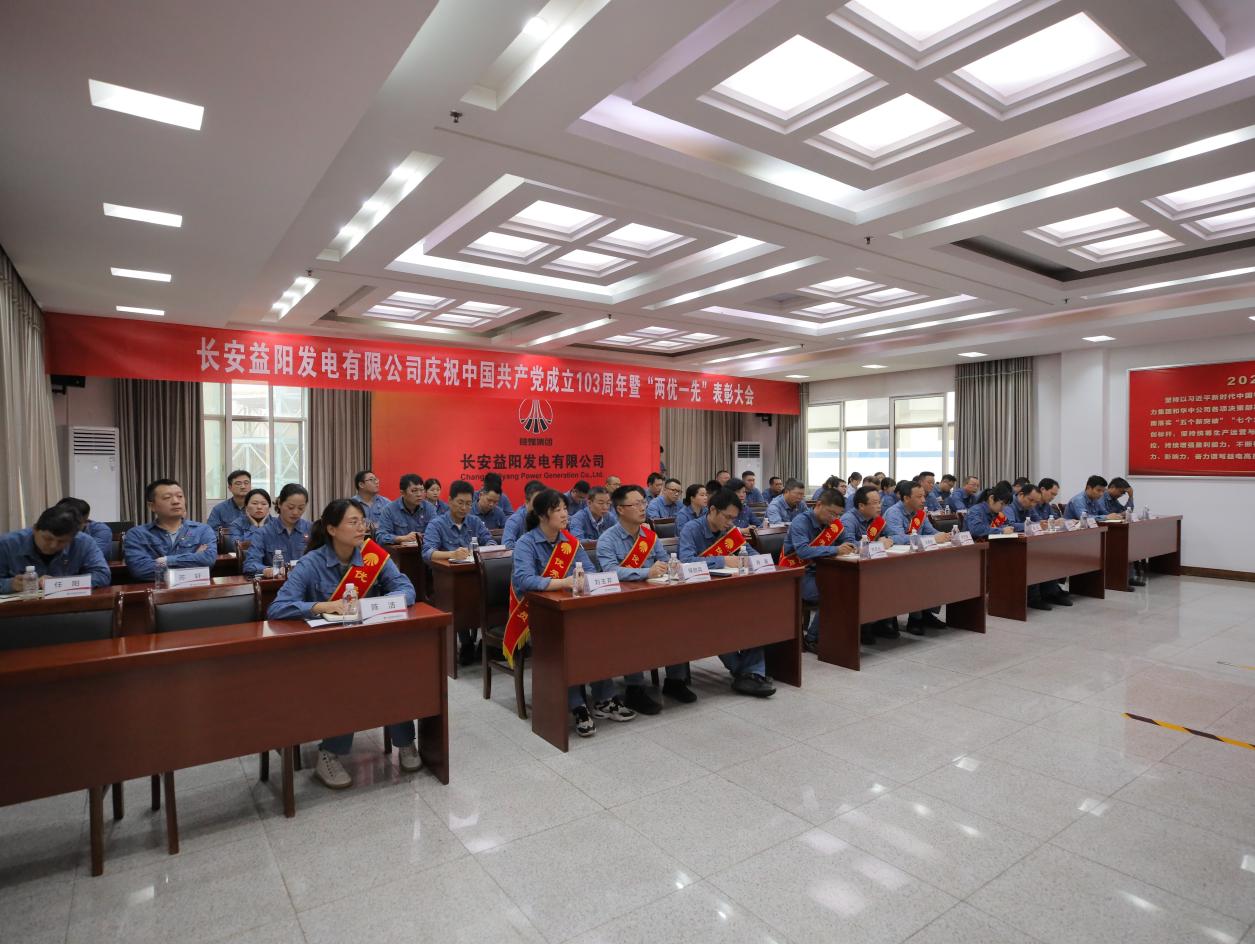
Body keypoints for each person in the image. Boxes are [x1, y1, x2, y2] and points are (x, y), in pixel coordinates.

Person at [268, 499, 420, 786]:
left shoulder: (373, 556)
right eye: (353, 522)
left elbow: (406, 589)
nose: (361, 527)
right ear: (332, 529)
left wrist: (375, 605)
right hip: (324, 651)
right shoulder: (311, 563)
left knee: (395, 670)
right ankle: (329, 753)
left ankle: (405, 742)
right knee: (348, 677)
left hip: (368, 645)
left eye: (363, 521)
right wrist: (321, 606)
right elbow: (277, 608)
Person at [511, 489, 637, 737]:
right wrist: (565, 582)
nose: (564, 514)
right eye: (557, 509)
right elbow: (524, 580)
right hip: (537, 616)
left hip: (573, 610)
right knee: (568, 643)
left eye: (565, 509)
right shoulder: (526, 543)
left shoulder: (570, 542)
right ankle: (577, 705)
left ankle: (604, 699)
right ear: (542, 515)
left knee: (600, 636)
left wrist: (583, 580)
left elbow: (589, 571)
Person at [596, 485, 693, 709]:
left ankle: (675, 681)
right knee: (633, 631)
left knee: (679, 622)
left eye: (643, 503)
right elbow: (610, 572)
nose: (642, 508)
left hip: (655, 597)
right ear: (620, 509)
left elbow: (664, 560)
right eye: (636, 504)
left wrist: (673, 566)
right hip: (623, 604)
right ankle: (634, 688)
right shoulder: (607, 539)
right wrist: (646, 572)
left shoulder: (650, 536)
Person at [677, 490, 776, 697]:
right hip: (698, 596)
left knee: (758, 616)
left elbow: (752, 554)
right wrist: (722, 560)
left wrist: (755, 561)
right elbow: (685, 561)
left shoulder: (730, 530)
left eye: (734, 518)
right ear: (712, 510)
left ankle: (750, 673)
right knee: (718, 623)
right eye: (727, 517)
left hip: (730, 592)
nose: (731, 522)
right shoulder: (691, 529)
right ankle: (748, 673)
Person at [781, 489, 855, 651]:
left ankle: (837, 634)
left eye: (838, 515)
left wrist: (852, 545)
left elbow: (848, 539)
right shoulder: (801, 522)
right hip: (797, 574)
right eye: (832, 513)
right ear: (819, 504)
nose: (834, 518)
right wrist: (835, 550)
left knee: (850, 587)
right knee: (832, 595)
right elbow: (803, 551)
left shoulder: (833, 523)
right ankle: (812, 638)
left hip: (822, 570)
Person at [884, 480, 952, 633]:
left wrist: (944, 536)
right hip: (897, 562)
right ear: (906, 498)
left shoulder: (920, 513)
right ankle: (915, 618)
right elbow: (897, 538)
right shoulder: (893, 513)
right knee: (918, 577)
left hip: (918, 558)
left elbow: (931, 532)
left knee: (938, 573)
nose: (923, 500)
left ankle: (926, 613)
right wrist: (933, 539)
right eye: (919, 497)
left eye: (924, 496)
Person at [1, 504, 111, 593]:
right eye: (47, 538)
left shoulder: (83, 542)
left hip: (67, 606)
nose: (53, 545)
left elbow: (102, 575)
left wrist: (60, 583)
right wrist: (10, 585)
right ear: (35, 529)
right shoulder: (7, 544)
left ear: (72, 537)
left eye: (62, 541)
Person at [124, 479, 217, 582]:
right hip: (155, 590)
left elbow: (207, 560)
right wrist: (194, 560)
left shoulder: (202, 530)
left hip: (195, 589)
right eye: (167, 497)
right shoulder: (137, 534)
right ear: (152, 506)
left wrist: (165, 560)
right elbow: (141, 570)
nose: (176, 501)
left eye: (180, 496)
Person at [840, 485, 900, 641]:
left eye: (880, 502)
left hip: (875, 565)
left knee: (893, 579)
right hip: (853, 569)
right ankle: (864, 625)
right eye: (875, 503)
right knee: (873, 584)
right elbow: (850, 545)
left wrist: (888, 540)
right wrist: (879, 544)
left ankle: (881, 622)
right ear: (861, 506)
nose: (879, 506)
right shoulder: (848, 519)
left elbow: (892, 536)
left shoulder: (877, 519)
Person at [1003, 483, 1071, 610]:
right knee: (1036, 560)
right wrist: (1035, 525)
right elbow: (1009, 526)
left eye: (1035, 502)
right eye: (1031, 500)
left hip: (1030, 543)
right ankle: (1034, 597)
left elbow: (1038, 521)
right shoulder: (1008, 506)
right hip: (1011, 547)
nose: (1033, 504)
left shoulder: (1030, 506)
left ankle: (1051, 592)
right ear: (1021, 495)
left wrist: (1043, 523)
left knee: (1050, 555)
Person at [243, 484, 311, 577]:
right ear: (279, 503)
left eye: (301, 508)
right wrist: (267, 570)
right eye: (290, 507)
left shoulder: (311, 529)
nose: (295, 512)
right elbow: (250, 564)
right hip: (278, 583)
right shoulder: (263, 533)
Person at [377, 474, 438, 544]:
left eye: (422, 490)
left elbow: (437, 532)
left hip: (424, 549)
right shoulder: (389, 510)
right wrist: (402, 538)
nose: (419, 494)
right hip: (399, 550)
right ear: (402, 493)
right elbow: (380, 537)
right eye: (414, 491)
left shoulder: (430, 508)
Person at [502, 480, 548, 548]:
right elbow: (507, 545)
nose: (540, 506)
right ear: (527, 502)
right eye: (536, 502)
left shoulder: (546, 518)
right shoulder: (515, 520)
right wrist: (529, 543)